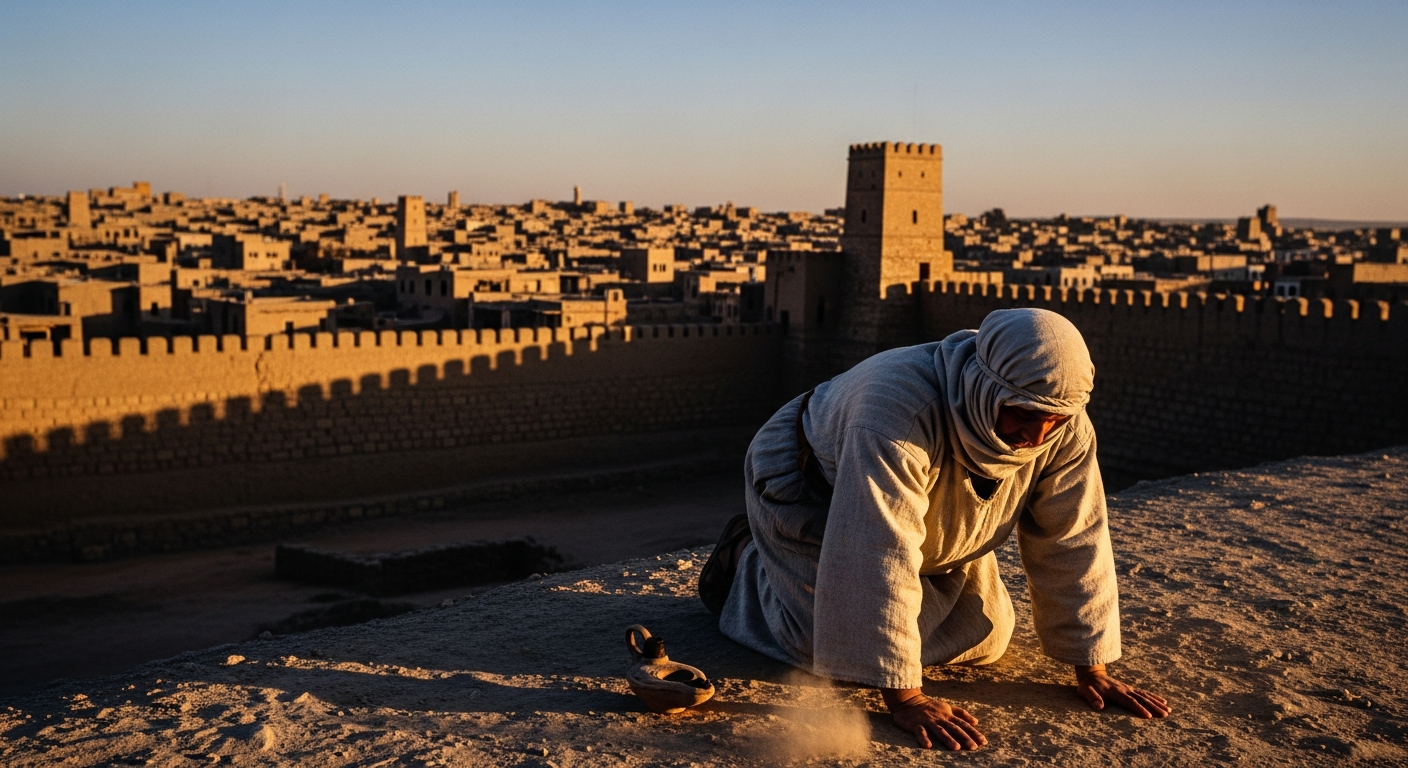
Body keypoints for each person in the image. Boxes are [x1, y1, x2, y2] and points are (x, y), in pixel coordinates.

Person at [698, 308, 1169, 750]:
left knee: (988, 637)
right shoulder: (895, 415)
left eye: (1054, 420)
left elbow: (1074, 538)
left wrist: (1092, 666)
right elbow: (878, 547)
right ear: (987, 387)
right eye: (1023, 414)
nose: (1036, 436)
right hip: (814, 490)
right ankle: (746, 560)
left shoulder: (1061, 421)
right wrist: (906, 699)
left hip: (928, 511)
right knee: (829, 649)